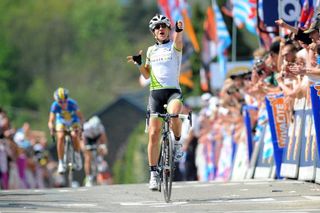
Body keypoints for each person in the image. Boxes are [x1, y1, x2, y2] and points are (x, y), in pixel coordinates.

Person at [127, 14, 184, 190]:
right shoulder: (151, 50)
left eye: (164, 26)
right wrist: (139, 63)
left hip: (173, 92)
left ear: (168, 30)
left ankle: (178, 141)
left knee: (174, 115)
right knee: (153, 134)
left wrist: (179, 31)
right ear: (153, 33)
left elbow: (179, 42)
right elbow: (146, 74)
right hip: (155, 95)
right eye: (157, 27)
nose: (161, 29)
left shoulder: (174, 47)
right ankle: (153, 174)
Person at [48, 87, 84, 174]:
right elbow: (51, 120)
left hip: (73, 121)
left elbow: (81, 117)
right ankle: (61, 162)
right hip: (61, 122)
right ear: (57, 101)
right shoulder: (54, 106)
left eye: (65, 100)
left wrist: (81, 127)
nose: (63, 103)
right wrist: (51, 128)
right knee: (60, 137)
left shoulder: (72, 103)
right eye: (61, 102)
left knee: (74, 135)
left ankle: (77, 156)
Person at [82, 115, 108, 187]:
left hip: (97, 139)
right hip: (88, 139)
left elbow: (104, 139)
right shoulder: (86, 127)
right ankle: (88, 177)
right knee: (87, 157)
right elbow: (82, 140)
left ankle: (100, 159)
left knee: (101, 148)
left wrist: (104, 147)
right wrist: (84, 148)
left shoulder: (101, 128)